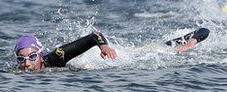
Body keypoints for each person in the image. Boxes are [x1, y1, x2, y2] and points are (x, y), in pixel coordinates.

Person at [14, 27, 209, 70]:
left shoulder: (55, 58)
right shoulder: (19, 73)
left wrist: (104, 47)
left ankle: (191, 41)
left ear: (39, 54)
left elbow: (93, 35)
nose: (27, 64)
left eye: (31, 56)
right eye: (21, 59)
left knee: (162, 52)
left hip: (117, 56)